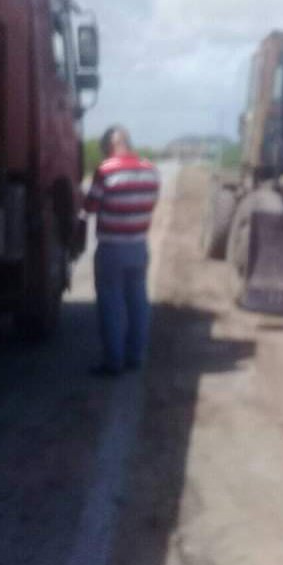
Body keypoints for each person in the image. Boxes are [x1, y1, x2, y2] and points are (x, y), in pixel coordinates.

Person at [83, 125, 160, 377]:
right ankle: (135, 357)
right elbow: (150, 203)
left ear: (109, 146)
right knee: (138, 302)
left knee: (111, 304)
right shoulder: (151, 171)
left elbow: (91, 207)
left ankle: (113, 362)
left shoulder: (105, 171)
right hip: (139, 246)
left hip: (112, 249)